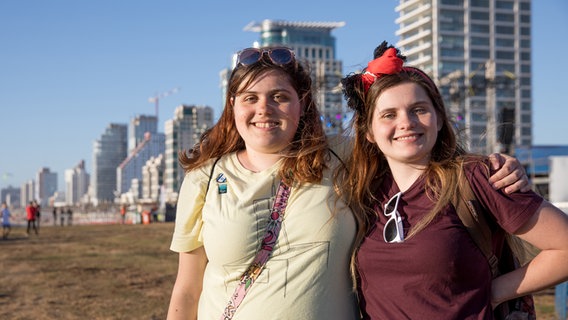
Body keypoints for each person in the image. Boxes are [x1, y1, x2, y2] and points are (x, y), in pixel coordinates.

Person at [166, 46, 528, 320]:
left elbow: (404, 143)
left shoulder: (342, 158)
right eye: (250, 98)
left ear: (302, 103)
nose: (265, 110)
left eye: (280, 97)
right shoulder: (206, 177)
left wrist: (489, 166)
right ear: (233, 106)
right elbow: (187, 288)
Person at [339, 41, 568, 319]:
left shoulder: (478, 177)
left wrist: (493, 293)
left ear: (438, 118)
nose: (406, 122)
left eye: (419, 109)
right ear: (369, 132)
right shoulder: (361, 193)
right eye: (389, 115)